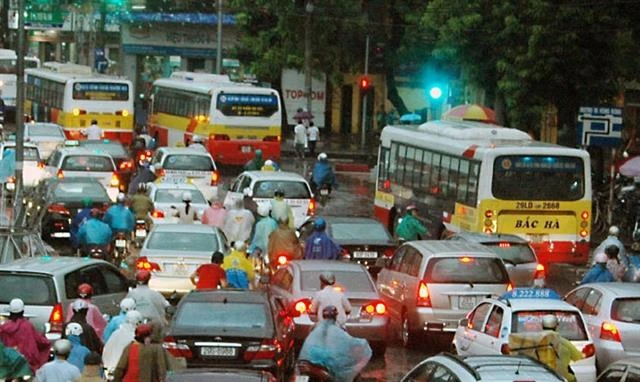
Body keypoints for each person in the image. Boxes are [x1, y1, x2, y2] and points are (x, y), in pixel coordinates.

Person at [299, 306, 372, 382]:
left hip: (311, 359)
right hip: (326, 361)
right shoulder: (339, 328)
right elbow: (347, 341)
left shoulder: (315, 326)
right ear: (335, 316)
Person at [0, 298, 50, 373]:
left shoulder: (4, 328)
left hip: (8, 363)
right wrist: (46, 342)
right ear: (22, 311)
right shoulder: (27, 325)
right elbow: (38, 340)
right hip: (27, 362)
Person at [537, 314, 584, 382]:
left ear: (542, 325)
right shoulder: (564, 342)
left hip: (538, 376)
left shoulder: (534, 341)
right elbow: (578, 357)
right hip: (562, 376)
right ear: (556, 326)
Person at [102, 311, 143, 379]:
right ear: (137, 322)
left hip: (109, 371)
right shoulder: (135, 337)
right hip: (123, 374)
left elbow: (105, 352)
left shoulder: (116, 333)